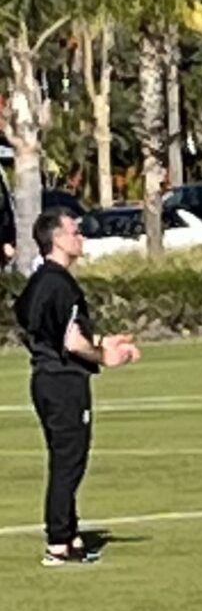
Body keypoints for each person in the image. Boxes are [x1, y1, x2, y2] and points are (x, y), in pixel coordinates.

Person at [11, 208, 140, 567]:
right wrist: (103, 355)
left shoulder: (37, 283)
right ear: (57, 239)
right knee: (69, 461)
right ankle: (58, 542)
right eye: (74, 232)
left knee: (65, 458)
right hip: (64, 381)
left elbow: (40, 331)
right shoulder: (61, 284)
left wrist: (101, 339)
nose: (80, 237)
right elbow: (71, 342)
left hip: (45, 379)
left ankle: (71, 534)